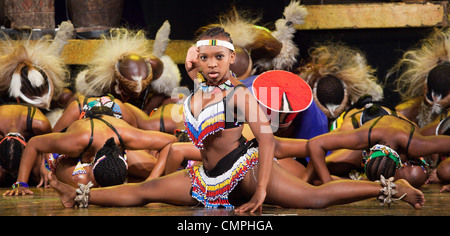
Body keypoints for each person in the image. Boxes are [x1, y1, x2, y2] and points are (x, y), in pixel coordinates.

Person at [47, 27, 424, 212]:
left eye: (219, 58)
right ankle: (81, 195)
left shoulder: (242, 94)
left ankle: (390, 189)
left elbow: (266, 140)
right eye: (205, 57)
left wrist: (261, 191)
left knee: (312, 200)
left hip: (245, 170)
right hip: (208, 177)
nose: (211, 64)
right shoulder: (194, 92)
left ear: (230, 61)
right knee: (146, 192)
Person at [3, 109, 177, 196]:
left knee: (152, 170)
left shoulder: (128, 136)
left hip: (114, 139)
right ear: (93, 162)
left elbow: (171, 142)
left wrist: (153, 181)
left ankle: (133, 181)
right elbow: (34, 143)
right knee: (81, 183)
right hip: (75, 153)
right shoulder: (74, 142)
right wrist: (21, 183)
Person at [307, 114, 450, 186]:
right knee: (324, 169)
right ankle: (364, 181)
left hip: (406, 146)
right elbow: (315, 144)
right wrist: (328, 185)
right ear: (368, 153)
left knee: (416, 175)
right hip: (371, 132)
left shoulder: (416, 145)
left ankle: (366, 182)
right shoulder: (362, 137)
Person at [0, 103, 52, 187]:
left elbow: (50, 145)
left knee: (39, 176)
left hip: (28, 113)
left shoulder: (40, 124)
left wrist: (45, 165)